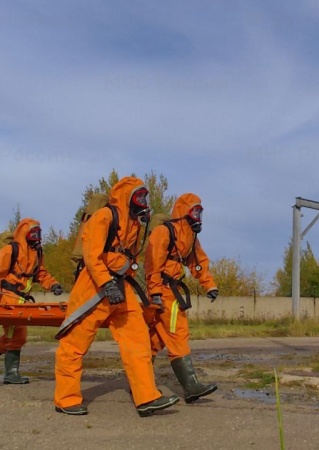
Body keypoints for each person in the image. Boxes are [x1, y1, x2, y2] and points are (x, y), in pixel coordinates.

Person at [54, 176, 179, 417]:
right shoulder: (105, 216)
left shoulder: (134, 224)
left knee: (138, 339)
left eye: (145, 197)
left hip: (121, 286)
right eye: (139, 196)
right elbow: (92, 255)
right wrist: (105, 283)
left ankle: (146, 397)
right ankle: (65, 399)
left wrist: (118, 282)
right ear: (126, 197)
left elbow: (130, 257)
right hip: (93, 287)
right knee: (74, 344)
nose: (143, 201)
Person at [143, 193, 219, 403]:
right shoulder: (164, 232)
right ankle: (191, 386)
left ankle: (140, 383)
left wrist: (209, 284)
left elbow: (198, 262)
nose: (198, 215)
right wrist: (156, 291)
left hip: (169, 291)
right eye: (195, 211)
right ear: (184, 212)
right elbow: (152, 264)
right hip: (165, 292)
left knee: (155, 340)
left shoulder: (189, 237)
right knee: (178, 333)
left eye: (200, 211)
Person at [0, 218, 63, 384]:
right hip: (8, 298)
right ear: (25, 234)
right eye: (33, 233)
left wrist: (53, 285)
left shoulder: (37, 252)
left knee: (14, 336)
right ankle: (10, 374)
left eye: (39, 233)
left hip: (21, 300)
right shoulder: (9, 251)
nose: (37, 236)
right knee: (16, 335)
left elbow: (40, 273)